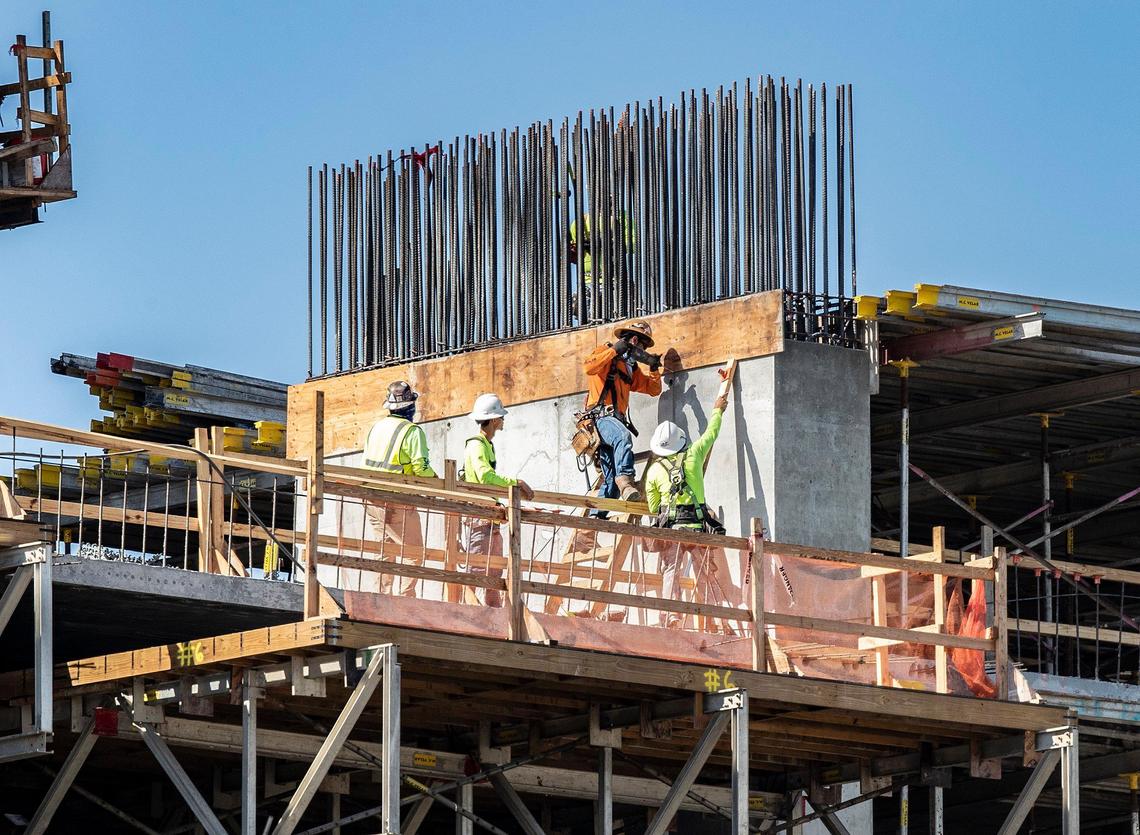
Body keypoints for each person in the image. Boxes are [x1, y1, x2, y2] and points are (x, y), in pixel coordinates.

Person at [645, 391, 740, 628]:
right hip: (698, 529)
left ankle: (671, 616)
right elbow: (711, 433)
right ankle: (715, 620)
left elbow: (655, 507)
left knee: (671, 572)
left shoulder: (654, 471)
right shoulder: (694, 454)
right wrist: (718, 408)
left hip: (672, 532)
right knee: (705, 574)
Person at [361, 380, 436, 596]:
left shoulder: (376, 427)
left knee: (385, 551)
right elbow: (420, 467)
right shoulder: (411, 431)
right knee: (413, 553)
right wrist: (436, 481)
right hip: (397, 499)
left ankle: (382, 597)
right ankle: (405, 600)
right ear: (410, 406)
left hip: (370, 497)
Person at [462, 393, 535, 606]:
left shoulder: (485, 444)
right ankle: (469, 614)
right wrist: (516, 483)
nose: (503, 420)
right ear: (494, 420)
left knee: (494, 569)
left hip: (489, 517)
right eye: (500, 417)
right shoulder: (476, 445)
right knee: (476, 568)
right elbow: (485, 476)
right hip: (480, 516)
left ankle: (493, 616)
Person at [582, 320, 663, 506]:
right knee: (623, 436)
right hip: (600, 419)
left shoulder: (629, 368)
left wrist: (653, 368)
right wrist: (613, 351)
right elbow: (588, 367)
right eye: (642, 348)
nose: (641, 354)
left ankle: (595, 521)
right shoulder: (604, 352)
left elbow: (653, 389)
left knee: (610, 486)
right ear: (634, 341)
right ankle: (625, 481)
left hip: (614, 421)